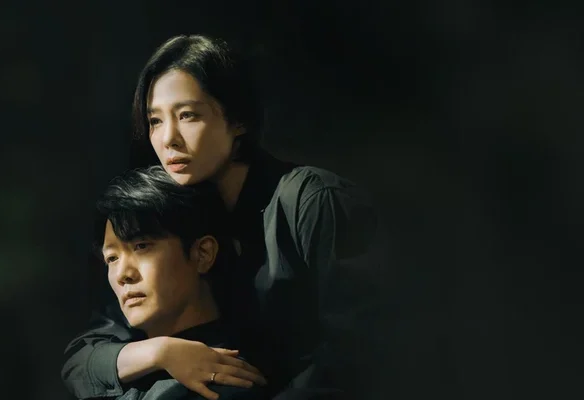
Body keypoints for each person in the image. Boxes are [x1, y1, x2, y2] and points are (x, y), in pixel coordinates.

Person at [63, 34, 383, 400]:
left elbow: (363, 354)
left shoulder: (310, 201)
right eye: (154, 121)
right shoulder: (171, 214)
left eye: (188, 115)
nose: (168, 139)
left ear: (239, 119)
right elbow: (83, 359)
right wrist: (161, 351)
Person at [88, 166, 268, 400]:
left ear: (203, 254)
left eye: (141, 246)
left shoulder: (231, 381)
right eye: (112, 258)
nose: (123, 274)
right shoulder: (117, 374)